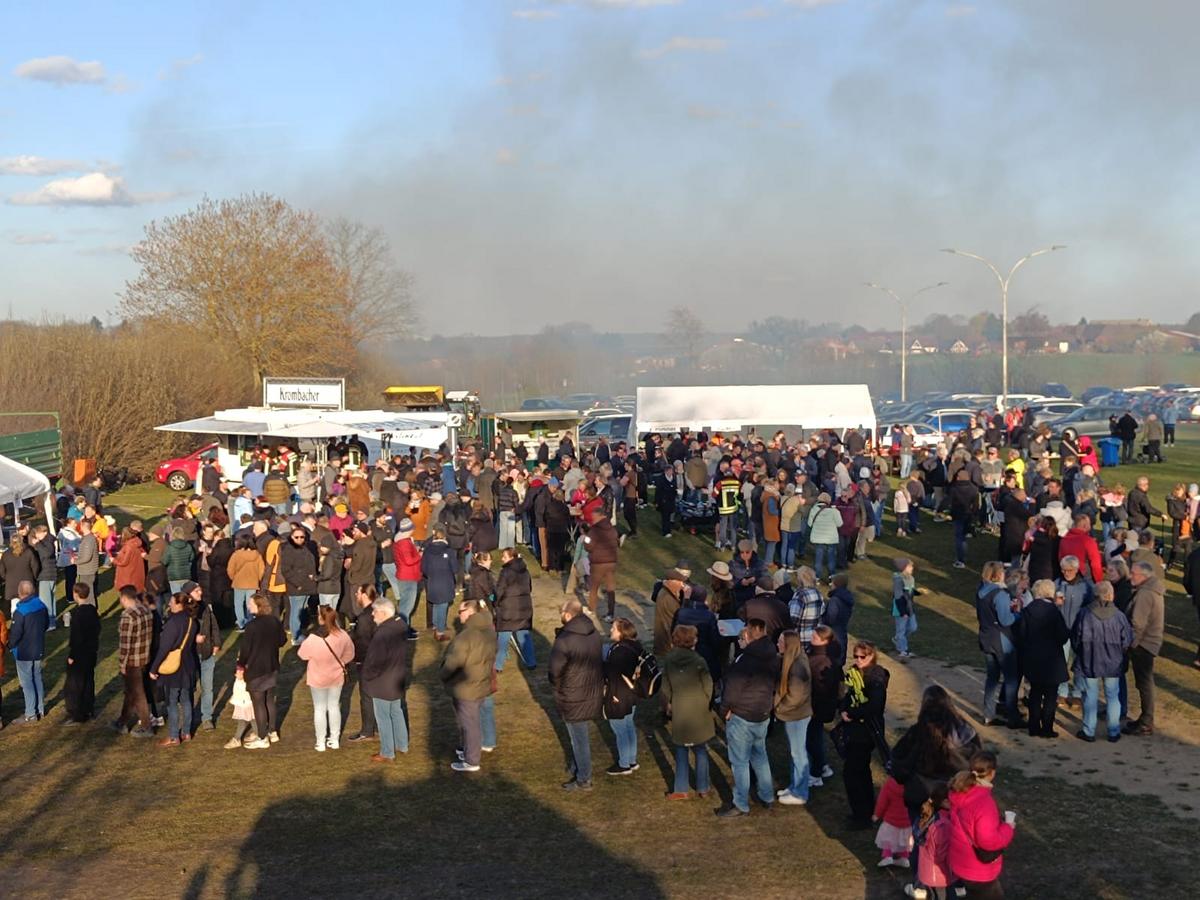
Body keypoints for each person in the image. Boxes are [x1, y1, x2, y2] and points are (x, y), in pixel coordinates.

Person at [716, 619, 779, 819]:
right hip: (762, 713)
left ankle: (741, 803)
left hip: (742, 715)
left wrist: (724, 710)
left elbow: (732, 690)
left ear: (747, 636)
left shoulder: (745, 661)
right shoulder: (772, 655)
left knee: (740, 762)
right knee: (760, 755)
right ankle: (767, 795)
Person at [549, 598, 604, 792]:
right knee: (579, 735)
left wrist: (558, 687)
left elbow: (555, 671)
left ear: (568, 614)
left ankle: (584, 778)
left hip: (572, 695)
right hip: (591, 691)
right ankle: (576, 766)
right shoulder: (593, 632)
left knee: (579, 739)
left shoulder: (565, 640)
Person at [439, 599, 498, 772]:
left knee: (469, 724)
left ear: (471, 613)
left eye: (461, 612)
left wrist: (442, 674)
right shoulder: (489, 631)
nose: (459, 615)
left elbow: (453, 663)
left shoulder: (466, 636)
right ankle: (466, 749)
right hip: (481, 683)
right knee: (470, 721)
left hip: (466, 687)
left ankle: (472, 760)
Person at [946, 751, 1015, 899]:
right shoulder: (984, 804)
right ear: (992, 773)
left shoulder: (960, 790)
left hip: (960, 862)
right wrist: (1008, 827)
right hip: (978, 870)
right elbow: (988, 841)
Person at [1071, 580, 1132, 743]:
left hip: (1090, 659)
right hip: (1113, 662)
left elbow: (1075, 638)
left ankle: (1089, 730)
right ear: (1111, 595)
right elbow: (1127, 640)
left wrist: (1081, 652)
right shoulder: (1119, 616)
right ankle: (1113, 731)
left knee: (1090, 695)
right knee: (1113, 696)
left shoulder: (1084, 614)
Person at [840, 640, 890, 829]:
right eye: (856, 656)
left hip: (866, 732)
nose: (858, 660)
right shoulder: (855, 673)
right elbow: (847, 695)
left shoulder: (875, 678)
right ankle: (865, 810)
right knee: (860, 772)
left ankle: (861, 815)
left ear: (872, 656)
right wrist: (843, 709)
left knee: (853, 773)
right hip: (855, 730)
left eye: (863, 656)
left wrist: (851, 713)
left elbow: (875, 707)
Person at [662, 624, 715, 800]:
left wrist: (669, 703)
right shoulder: (699, 661)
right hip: (699, 708)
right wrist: (706, 700)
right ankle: (703, 787)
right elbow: (708, 684)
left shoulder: (669, 660)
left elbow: (665, 685)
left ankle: (680, 789)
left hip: (680, 707)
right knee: (700, 749)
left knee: (681, 749)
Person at [1014, 579, 1070, 738]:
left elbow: (1021, 634)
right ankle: (1047, 728)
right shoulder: (1054, 612)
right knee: (1051, 696)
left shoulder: (1027, 610)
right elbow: (1063, 636)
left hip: (1033, 657)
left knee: (1035, 693)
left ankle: (1033, 727)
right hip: (1052, 659)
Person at [297, 605, 355, 751]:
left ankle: (320, 741)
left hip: (317, 678)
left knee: (319, 709)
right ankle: (334, 740)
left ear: (320, 618)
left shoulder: (313, 638)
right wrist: (341, 662)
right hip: (336, 677)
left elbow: (302, 654)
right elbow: (350, 654)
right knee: (334, 706)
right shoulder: (342, 635)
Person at [362, 597, 411, 763]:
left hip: (382, 681)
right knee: (396, 711)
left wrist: (367, 676)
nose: (372, 615)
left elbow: (375, 661)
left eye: (375, 611)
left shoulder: (383, 633)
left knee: (383, 716)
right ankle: (402, 745)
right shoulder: (400, 625)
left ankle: (387, 752)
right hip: (397, 677)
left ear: (383, 613)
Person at [149, 591, 200, 747]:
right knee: (186, 700)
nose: (169, 604)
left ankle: (173, 736)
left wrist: (154, 668)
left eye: (172, 601)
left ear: (179, 604)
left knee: (171, 701)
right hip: (188, 664)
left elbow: (164, 648)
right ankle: (186, 732)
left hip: (174, 668)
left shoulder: (173, 623)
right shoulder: (192, 621)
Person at [974, 562, 1022, 729]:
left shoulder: (981, 590)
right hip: (1001, 640)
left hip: (986, 637)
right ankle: (1012, 716)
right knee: (1011, 678)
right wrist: (1018, 614)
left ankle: (988, 714)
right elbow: (1006, 620)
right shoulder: (1000, 594)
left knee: (992, 677)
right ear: (997, 575)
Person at [237, 592, 287, 749]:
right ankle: (272, 731)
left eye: (250, 603)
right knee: (269, 699)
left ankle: (262, 737)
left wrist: (240, 665)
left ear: (258, 606)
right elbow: (282, 641)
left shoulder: (252, 626)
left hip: (256, 669)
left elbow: (245, 650)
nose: (248, 606)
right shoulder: (274, 621)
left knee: (258, 703)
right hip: (272, 666)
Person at [1123, 560, 1164, 736]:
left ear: (1144, 576)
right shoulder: (1151, 590)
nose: (1130, 576)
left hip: (1143, 644)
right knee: (1143, 683)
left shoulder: (1145, 594)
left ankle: (1146, 721)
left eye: (1134, 573)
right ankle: (1145, 718)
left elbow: (1137, 624)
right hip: (1149, 642)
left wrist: (1130, 644)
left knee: (1144, 683)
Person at [774, 630, 813, 806]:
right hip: (795, 714)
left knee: (798, 753)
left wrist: (779, 707)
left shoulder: (797, 667)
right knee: (795, 752)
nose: (778, 644)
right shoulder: (794, 660)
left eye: (781, 641)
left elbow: (795, 696)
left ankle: (800, 792)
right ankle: (795, 785)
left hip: (796, 715)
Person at [602, 617, 642, 776]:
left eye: (614, 628)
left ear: (621, 632)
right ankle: (631, 760)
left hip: (618, 695)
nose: (611, 630)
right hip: (632, 693)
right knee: (629, 726)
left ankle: (624, 764)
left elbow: (610, 675)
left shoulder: (618, 652)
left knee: (620, 730)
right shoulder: (636, 647)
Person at [113, 586, 154, 737]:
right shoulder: (146, 611)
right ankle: (122, 721)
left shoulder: (127, 616)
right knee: (131, 691)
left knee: (137, 693)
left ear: (124, 598)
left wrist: (122, 664)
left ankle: (146, 725)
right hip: (144, 657)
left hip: (132, 661)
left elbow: (125, 644)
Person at [9, 580, 49, 724]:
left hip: (23, 651)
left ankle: (31, 713)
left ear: (20, 593)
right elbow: (46, 624)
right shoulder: (41, 605)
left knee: (27, 683)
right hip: (37, 648)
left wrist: (11, 646)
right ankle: (40, 709)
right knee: (37, 678)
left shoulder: (20, 612)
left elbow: (15, 634)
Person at [806, 625, 840, 788]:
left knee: (811, 740)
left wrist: (812, 708)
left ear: (824, 641)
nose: (811, 639)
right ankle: (823, 766)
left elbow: (820, 689)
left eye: (814, 637)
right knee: (816, 737)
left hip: (816, 708)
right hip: (820, 707)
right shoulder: (824, 657)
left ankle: (816, 773)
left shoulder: (821, 661)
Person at [62, 582, 100, 724]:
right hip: (91, 652)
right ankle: (88, 709)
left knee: (75, 684)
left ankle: (76, 713)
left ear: (76, 594)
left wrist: (72, 655)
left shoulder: (78, 614)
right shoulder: (92, 611)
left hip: (80, 654)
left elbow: (76, 637)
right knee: (89, 681)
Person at [908, 784, 953, 900]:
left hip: (926, 872)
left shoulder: (926, 816)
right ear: (946, 802)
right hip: (939, 875)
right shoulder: (943, 826)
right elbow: (942, 855)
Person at [493, 547, 535, 671]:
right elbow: (529, 588)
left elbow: (499, 591)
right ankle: (531, 662)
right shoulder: (525, 571)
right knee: (524, 636)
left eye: (504, 557)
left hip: (508, 610)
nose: (502, 559)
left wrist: (495, 602)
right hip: (524, 608)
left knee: (503, 638)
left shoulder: (505, 572)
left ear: (511, 557)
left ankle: (498, 665)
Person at [347, 585, 379, 742]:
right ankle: (378, 726)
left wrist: (356, 659)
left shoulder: (365, 617)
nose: (356, 595)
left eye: (358, 593)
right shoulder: (378, 610)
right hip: (379, 660)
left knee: (367, 696)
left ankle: (367, 730)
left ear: (365, 595)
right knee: (377, 695)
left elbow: (363, 641)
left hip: (368, 661)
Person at [279, 525, 317, 646]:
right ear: (291, 537)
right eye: (296, 537)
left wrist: (312, 577)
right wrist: (298, 583)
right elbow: (286, 570)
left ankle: (298, 633)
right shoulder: (288, 551)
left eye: (302, 537)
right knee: (296, 612)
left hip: (307, 585)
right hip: (296, 587)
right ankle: (295, 636)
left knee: (301, 611)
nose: (300, 539)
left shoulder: (305, 548)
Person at [583, 506, 619, 622]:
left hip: (598, 563)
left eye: (593, 517)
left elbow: (588, 546)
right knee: (610, 588)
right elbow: (617, 542)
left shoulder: (594, 531)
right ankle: (611, 614)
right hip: (611, 562)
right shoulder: (612, 529)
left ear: (599, 516)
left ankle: (591, 610)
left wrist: (585, 539)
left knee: (593, 587)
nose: (592, 519)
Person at [422, 528, 458, 641]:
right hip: (445, 582)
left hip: (432, 581)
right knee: (442, 605)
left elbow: (423, 568)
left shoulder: (427, 551)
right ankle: (440, 632)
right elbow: (455, 568)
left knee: (436, 604)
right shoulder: (449, 551)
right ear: (444, 537)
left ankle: (435, 625)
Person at [874, 775, 914, 869]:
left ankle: (887, 856)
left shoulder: (889, 785)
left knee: (888, 838)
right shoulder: (913, 785)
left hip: (891, 820)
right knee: (905, 840)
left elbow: (882, 802)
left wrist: (877, 814)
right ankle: (904, 857)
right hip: (907, 820)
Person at [225, 533, 264, 631]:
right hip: (253, 583)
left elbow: (230, 569)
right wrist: (258, 579)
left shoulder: (236, 555)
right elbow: (261, 570)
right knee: (250, 604)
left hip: (239, 583)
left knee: (238, 604)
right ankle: (250, 622)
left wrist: (234, 578)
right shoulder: (257, 555)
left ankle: (241, 623)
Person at [892, 558, 917, 659]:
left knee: (913, 627)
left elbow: (910, 592)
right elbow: (898, 597)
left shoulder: (911, 579)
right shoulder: (899, 580)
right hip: (900, 609)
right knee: (901, 629)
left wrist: (918, 592)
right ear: (904, 568)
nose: (912, 568)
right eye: (910, 566)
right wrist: (903, 612)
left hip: (909, 608)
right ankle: (903, 650)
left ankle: (898, 639)